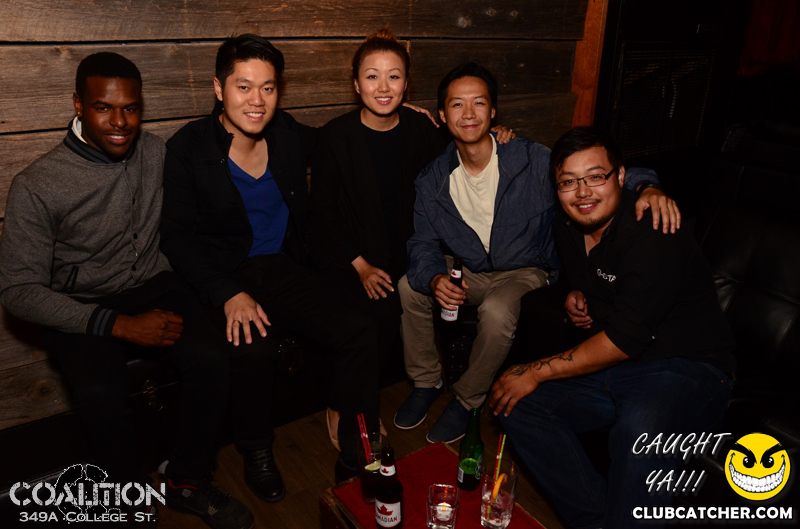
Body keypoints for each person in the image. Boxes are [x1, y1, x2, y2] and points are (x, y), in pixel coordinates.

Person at [0, 52, 270, 529]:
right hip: (82, 306)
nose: (120, 122)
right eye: (104, 108)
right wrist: (118, 325)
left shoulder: (155, 152)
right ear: (78, 105)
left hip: (154, 285)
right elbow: (18, 291)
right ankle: (127, 499)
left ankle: (186, 480)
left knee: (212, 358)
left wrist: (389, 116)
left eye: (130, 108)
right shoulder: (36, 186)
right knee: (100, 393)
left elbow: (221, 141)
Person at [395, 61, 681, 444]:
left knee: (498, 310)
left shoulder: (529, 160)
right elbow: (423, 243)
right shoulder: (432, 179)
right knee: (409, 285)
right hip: (472, 267)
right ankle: (427, 381)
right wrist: (434, 278)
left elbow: (591, 174)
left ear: (493, 111)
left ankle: (467, 399)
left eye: (479, 102)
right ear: (443, 115)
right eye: (457, 104)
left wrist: (648, 187)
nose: (469, 113)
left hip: (525, 269)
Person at [159, 34, 380, 484]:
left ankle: (357, 450)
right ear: (219, 88)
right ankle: (257, 450)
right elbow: (176, 239)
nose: (257, 100)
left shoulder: (286, 135)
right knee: (253, 350)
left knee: (359, 328)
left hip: (281, 267)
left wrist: (389, 111)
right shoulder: (189, 148)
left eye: (268, 87)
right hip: (224, 273)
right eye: (243, 86)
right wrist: (227, 293)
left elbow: (339, 137)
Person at [490, 126, 735, 529]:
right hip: (620, 367)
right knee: (517, 403)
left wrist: (534, 370)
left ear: (621, 176)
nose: (582, 192)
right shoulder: (566, 226)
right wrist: (575, 293)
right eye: (569, 182)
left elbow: (623, 340)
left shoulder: (653, 230)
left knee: (639, 429)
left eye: (595, 177)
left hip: (688, 368)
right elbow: (593, 280)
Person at [308, 29, 513, 450]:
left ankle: (414, 388)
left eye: (394, 77)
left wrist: (499, 135)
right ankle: (341, 405)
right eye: (372, 76)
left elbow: (466, 144)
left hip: (404, 253)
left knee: (397, 301)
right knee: (368, 318)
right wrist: (360, 265)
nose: (383, 87)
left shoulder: (421, 129)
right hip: (348, 257)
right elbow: (322, 214)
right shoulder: (335, 136)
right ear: (356, 84)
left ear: (407, 84)